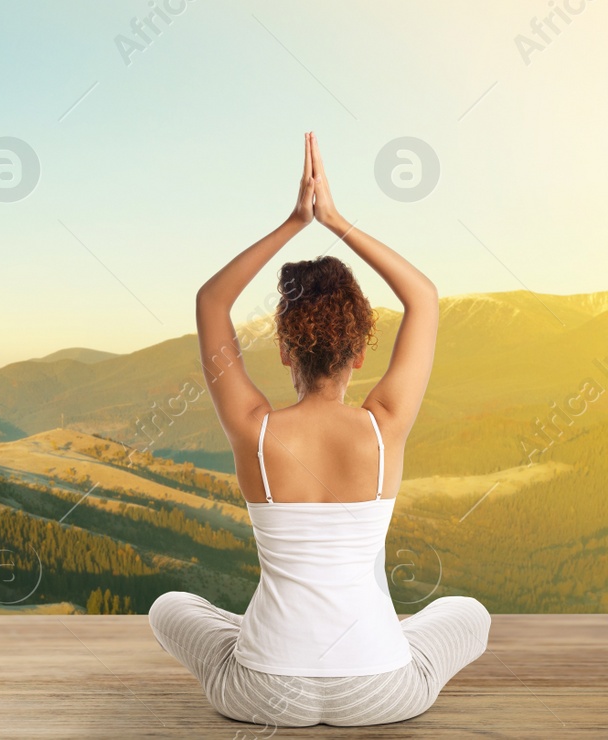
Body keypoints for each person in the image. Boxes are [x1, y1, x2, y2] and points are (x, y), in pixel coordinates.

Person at [148, 133, 490, 727]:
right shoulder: (385, 429)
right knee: (468, 613)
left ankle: (263, 629)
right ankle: (366, 631)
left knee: (170, 607)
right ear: (360, 354)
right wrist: (334, 220)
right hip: (380, 692)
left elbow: (211, 302)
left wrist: (294, 222)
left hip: (260, 692)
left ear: (284, 351)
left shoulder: (254, 430)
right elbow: (425, 300)